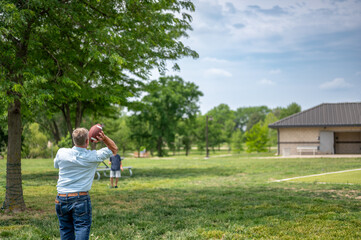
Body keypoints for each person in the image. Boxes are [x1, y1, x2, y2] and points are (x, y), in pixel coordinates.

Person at [54, 128, 118, 240]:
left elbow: (56, 165)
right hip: (80, 199)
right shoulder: (93, 156)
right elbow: (114, 149)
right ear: (87, 141)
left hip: (61, 198)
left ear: (74, 140)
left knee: (65, 229)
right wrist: (104, 138)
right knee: (81, 228)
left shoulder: (61, 152)